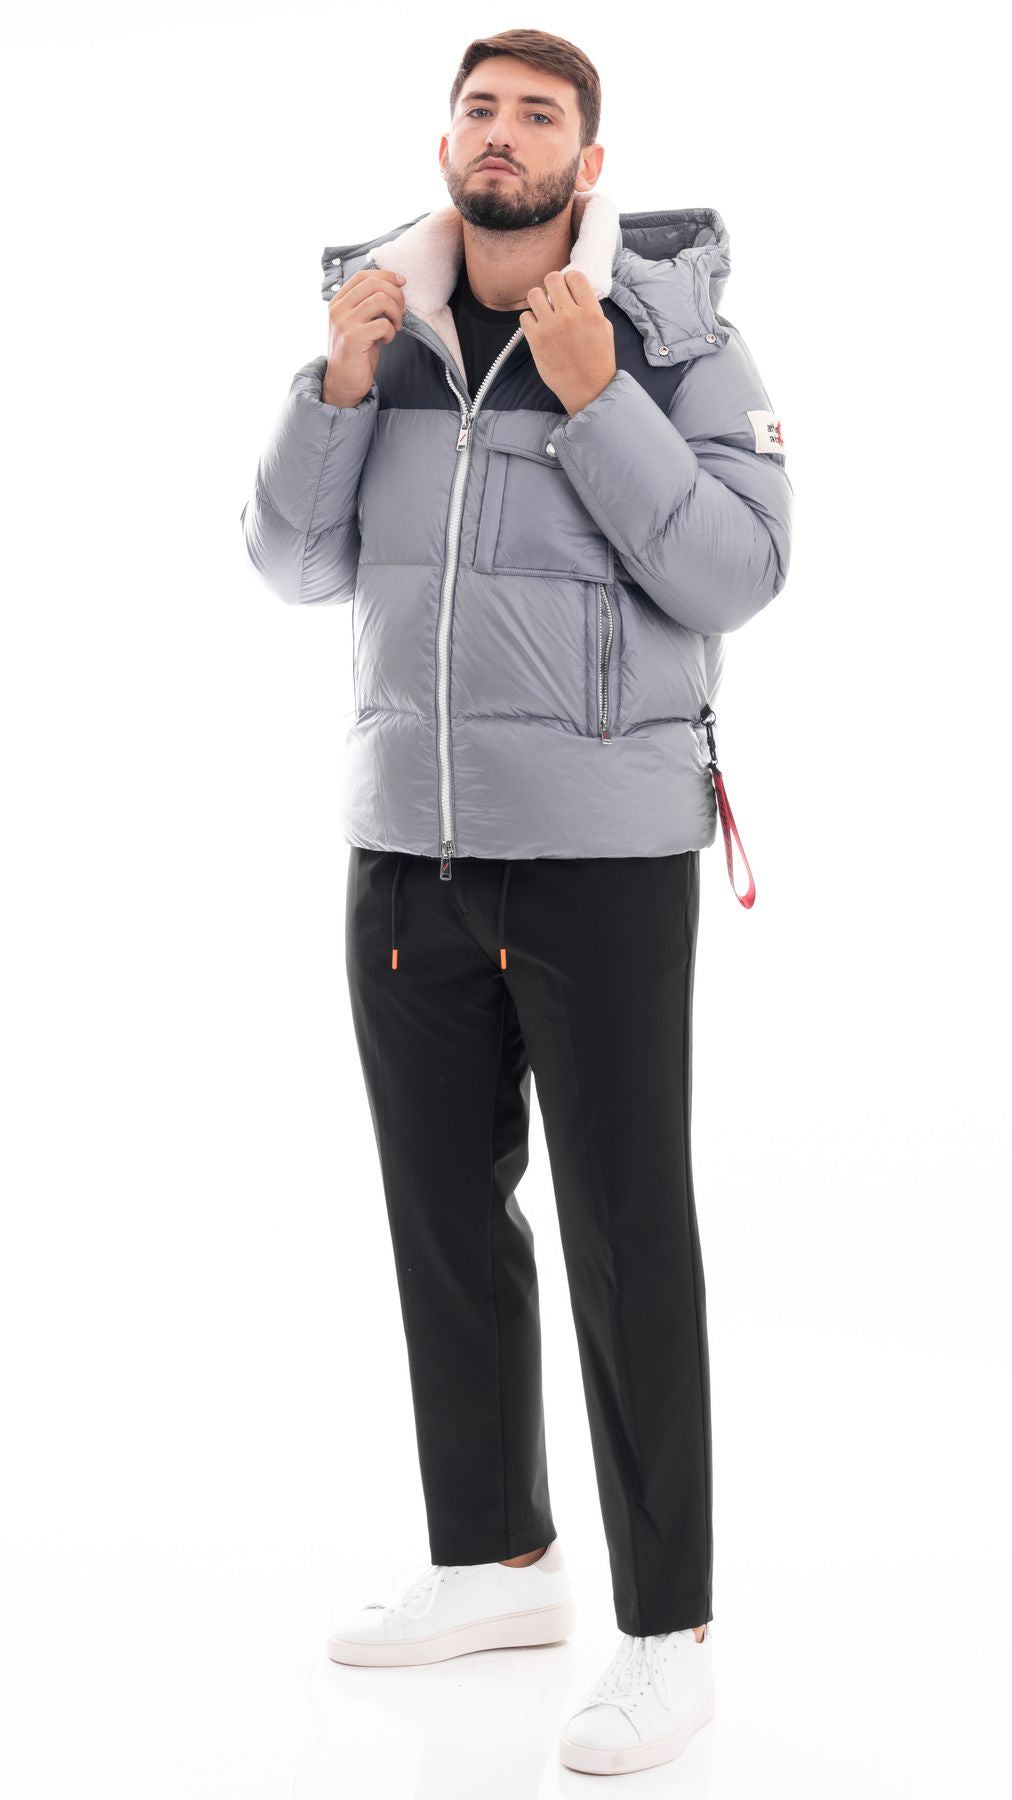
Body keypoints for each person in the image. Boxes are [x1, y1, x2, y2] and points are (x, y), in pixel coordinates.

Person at [240, 26, 792, 1779]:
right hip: (407, 841)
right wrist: (332, 390)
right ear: (446, 147)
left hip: (604, 854)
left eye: (538, 115)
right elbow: (289, 563)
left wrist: (599, 398)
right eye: (479, 109)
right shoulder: (380, 331)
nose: (503, 134)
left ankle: (668, 1634)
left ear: (587, 165)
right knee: (442, 1214)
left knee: (629, 1234)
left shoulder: (676, 337)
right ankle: (493, 1561)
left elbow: (741, 571)